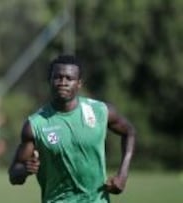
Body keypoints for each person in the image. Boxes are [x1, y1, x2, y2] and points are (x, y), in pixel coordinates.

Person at [8, 54, 136, 203]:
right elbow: (14, 174)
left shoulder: (100, 111)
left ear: (79, 83)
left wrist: (123, 175)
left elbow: (129, 132)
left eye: (69, 78)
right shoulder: (35, 125)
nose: (63, 82)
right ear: (50, 81)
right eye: (58, 77)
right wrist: (25, 170)